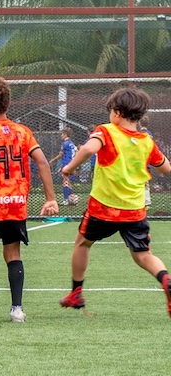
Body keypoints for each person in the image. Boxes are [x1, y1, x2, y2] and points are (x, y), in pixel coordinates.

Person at [59, 87, 171, 316]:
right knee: (143, 255)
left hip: (104, 209)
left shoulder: (107, 131)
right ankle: (166, 278)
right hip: (135, 210)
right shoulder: (146, 142)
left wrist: (69, 168)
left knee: (82, 243)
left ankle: (76, 293)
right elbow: (166, 168)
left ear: (117, 112)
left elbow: (89, 148)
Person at [0, 76, 58, 324]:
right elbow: (41, 162)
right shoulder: (23, 131)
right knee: (13, 253)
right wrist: (50, 198)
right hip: (16, 204)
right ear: (7, 104)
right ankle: (16, 309)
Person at [49, 127, 78, 205]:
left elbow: (61, 155)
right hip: (72, 163)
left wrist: (52, 160)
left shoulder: (64, 143)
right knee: (68, 182)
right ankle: (71, 199)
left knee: (65, 181)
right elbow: (71, 154)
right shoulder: (72, 143)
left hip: (67, 164)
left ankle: (65, 200)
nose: (61, 135)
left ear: (65, 134)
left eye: (62, 134)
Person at [138, 115, 153, 207]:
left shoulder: (139, 134)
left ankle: (141, 200)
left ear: (139, 123)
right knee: (146, 182)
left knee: (138, 181)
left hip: (140, 161)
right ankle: (147, 200)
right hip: (148, 160)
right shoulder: (150, 134)